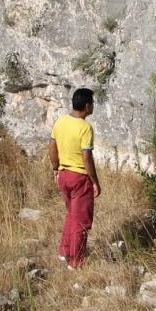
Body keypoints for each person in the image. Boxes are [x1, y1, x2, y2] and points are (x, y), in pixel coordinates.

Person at [48, 88, 101, 269]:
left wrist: (56, 169)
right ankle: (76, 261)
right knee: (81, 221)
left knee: (71, 214)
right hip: (79, 178)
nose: (93, 106)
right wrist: (94, 181)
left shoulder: (61, 121)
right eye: (92, 103)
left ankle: (64, 251)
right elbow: (86, 157)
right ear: (87, 106)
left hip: (63, 175)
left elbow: (52, 147)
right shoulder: (85, 128)